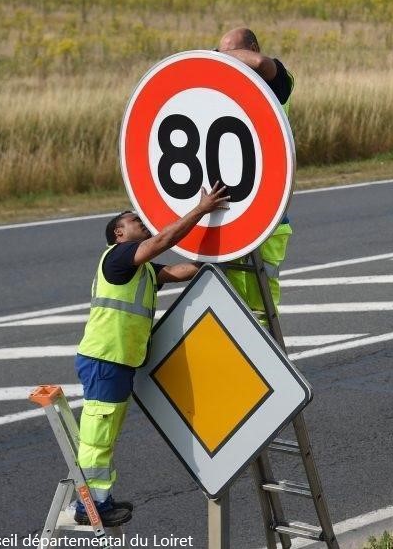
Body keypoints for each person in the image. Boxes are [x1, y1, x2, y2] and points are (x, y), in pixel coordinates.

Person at [73, 184, 229, 526]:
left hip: (117, 362)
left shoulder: (140, 269)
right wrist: (201, 209)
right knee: (97, 436)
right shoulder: (117, 258)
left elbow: (177, 271)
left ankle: (101, 499)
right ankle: (89, 506)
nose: (141, 221)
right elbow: (162, 241)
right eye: (133, 220)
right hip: (105, 359)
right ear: (119, 232)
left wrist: (219, 258)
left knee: (106, 435)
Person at [216, 28, 295, 320]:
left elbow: (262, 64)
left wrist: (217, 57)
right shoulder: (227, 88)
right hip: (226, 203)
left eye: (234, 53)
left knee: (261, 304)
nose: (228, 61)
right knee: (227, 297)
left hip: (267, 204)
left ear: (251, 47)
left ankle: (264, 351)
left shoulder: (277, 82)